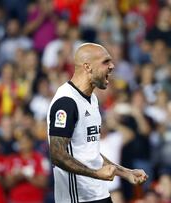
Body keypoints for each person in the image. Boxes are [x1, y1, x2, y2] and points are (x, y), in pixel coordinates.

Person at [47, 43, 148, 203]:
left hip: (99, 193)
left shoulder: (92, 99)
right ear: (87, 67)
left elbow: (89, 152)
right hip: (77, 198)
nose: (112, 66)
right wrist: (96, 174)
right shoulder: (66, 102)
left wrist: (125, 172)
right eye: (105, 62)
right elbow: (57, 154)